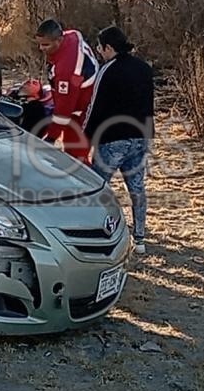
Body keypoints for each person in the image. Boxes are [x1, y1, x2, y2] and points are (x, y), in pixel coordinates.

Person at [84, 24, 155, 254]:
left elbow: (95, 107)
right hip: (140, 136)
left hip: (113, 139)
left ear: (108, 47)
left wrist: (86, 137)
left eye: (100, 47)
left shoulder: (107, 70)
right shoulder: (144, 68)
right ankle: (141, 239)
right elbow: (150, 105)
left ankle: (94, 233)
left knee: (97, 188)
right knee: (136, 187)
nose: (98, 51)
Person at [35, 18, 99, 161]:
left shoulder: (66, 70)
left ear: (58, 40)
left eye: (45, 45)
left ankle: (84, 181)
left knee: (75, 154)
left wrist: (52, 137)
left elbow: (64, 109)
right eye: (39, 44)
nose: (41, 49)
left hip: (81, 108)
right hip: (82, 95)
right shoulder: (72, 35)